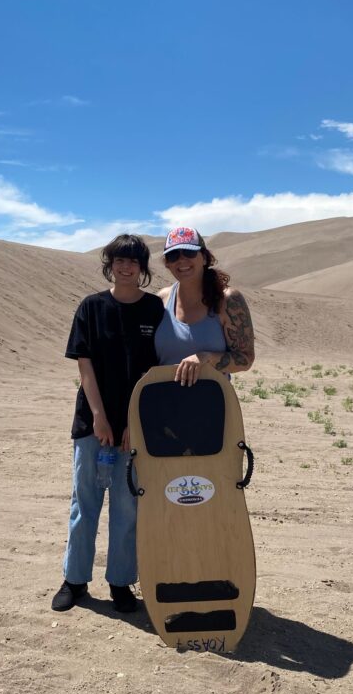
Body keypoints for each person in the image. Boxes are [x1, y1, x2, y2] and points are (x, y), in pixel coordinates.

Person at [52, 234, 164, 614]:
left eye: (133, 261)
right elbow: (84, 365)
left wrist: (136, 422)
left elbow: (157, 371)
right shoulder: (91, 307)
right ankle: (75, 580)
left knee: (127, 506)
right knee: (84, 504)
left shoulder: (154, 310)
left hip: (137, 428)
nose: (126, 267)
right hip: (91, 424)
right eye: (119, 259)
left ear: (143, 267)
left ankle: (120, 582)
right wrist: (99, 417)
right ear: (110, 263)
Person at [155, 226, 255, 382]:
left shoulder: (228, 300)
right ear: (167, 264)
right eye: (173, 255)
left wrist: (207, 358)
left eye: (189, 252)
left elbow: (245, 359)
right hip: (163, 401)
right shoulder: (161, 300)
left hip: (211, 401)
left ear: (204, 258)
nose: (181, 260)